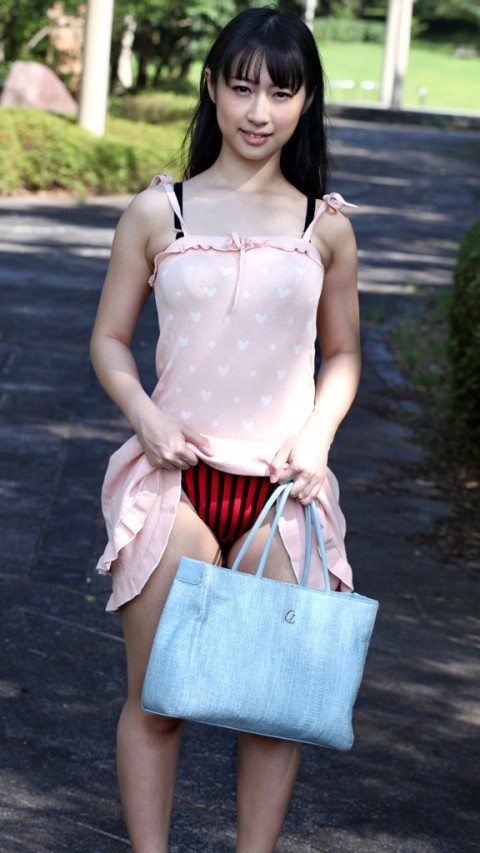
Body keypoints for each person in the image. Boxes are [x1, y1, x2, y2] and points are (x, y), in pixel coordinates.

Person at [90, 6, 360, 851]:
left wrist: (317, 439)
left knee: (273, 712)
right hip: (175, 486)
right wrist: (146, 415)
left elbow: (344, 353)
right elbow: (108, 339)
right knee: (157, 702)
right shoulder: (158, 212)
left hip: (282, 495)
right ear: (212, 88)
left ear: (306, 101)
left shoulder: (326, 226)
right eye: (242, 87)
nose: (258, 111)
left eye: (281, 92)